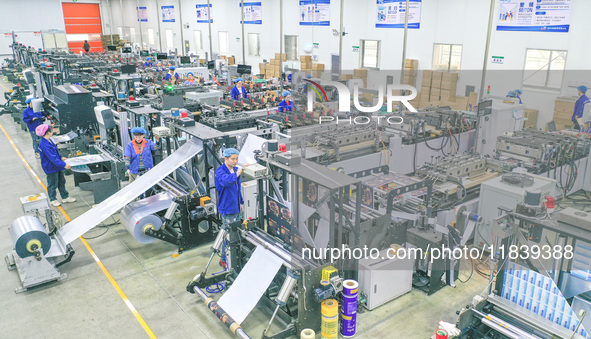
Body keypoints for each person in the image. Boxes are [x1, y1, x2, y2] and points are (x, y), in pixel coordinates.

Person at [36, 124, 76, 207]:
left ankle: (65, 197)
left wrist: (61, 158)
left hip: (56, 166)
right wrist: (64, 165)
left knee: (61, 182)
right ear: (48, 133)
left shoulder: (49, 140)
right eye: (51, 130)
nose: (52, 131)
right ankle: (52, 199)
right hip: (51, 168)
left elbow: (55, 152)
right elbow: (52, 158)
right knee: (52, 184)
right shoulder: (44, 145)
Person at [215, 148, 249, 227]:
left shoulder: (235, 170)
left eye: (237, 158)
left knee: (236, 231)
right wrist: (240, 171)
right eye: (233, 159)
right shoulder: (220, 171)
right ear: (226, 158)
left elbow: (237, 189)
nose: (235, 161)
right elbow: (227, 181)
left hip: (236, 207)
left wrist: (240, 202)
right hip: (227, 208)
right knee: (229, 232)